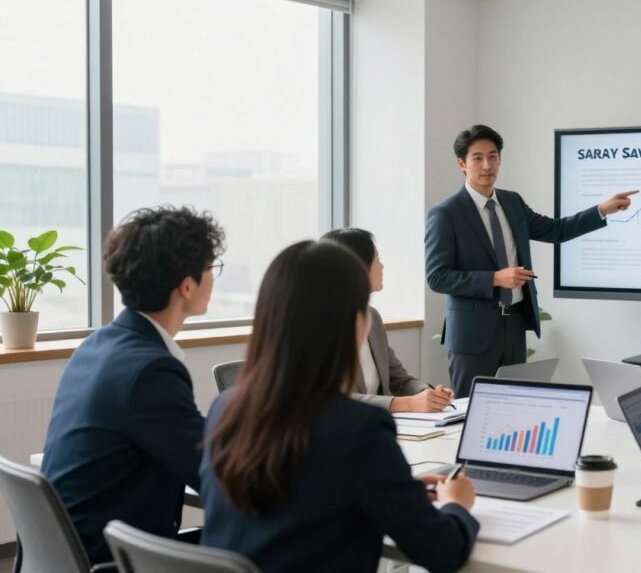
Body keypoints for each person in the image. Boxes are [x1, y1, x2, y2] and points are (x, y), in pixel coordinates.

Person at [200, 241, 479, 573]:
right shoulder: (358, 429)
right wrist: (457, 505)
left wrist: (394, 491)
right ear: (356, 324)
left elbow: (303, 498)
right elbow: (443, 552)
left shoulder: (223, 409)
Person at [42, 206, 224, 564]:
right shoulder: (150, 370)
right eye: (211, 268)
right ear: (187, 286)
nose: (213, 278)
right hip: (114, 559)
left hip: (73, 553)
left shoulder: (98, 345)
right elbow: (213, 471)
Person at [425, 123, 638, 396]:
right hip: (472, 336)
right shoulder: (446, 213)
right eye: (477, 158)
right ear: (461, 164)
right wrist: (495, 279)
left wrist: (602, 210)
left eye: (493, 156)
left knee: (515, 406)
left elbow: (556, 230)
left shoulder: (512, 203)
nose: (487, 165)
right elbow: (437, 276)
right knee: (472, 414)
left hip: (514, 325)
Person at [322, 227, 453, 412]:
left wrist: (429, 394)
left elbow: (398, 379)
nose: (382, 266)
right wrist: (407, 404)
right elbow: (333, 399)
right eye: (378, 259)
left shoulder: (372, 317)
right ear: (358, 265)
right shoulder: (320, 325)